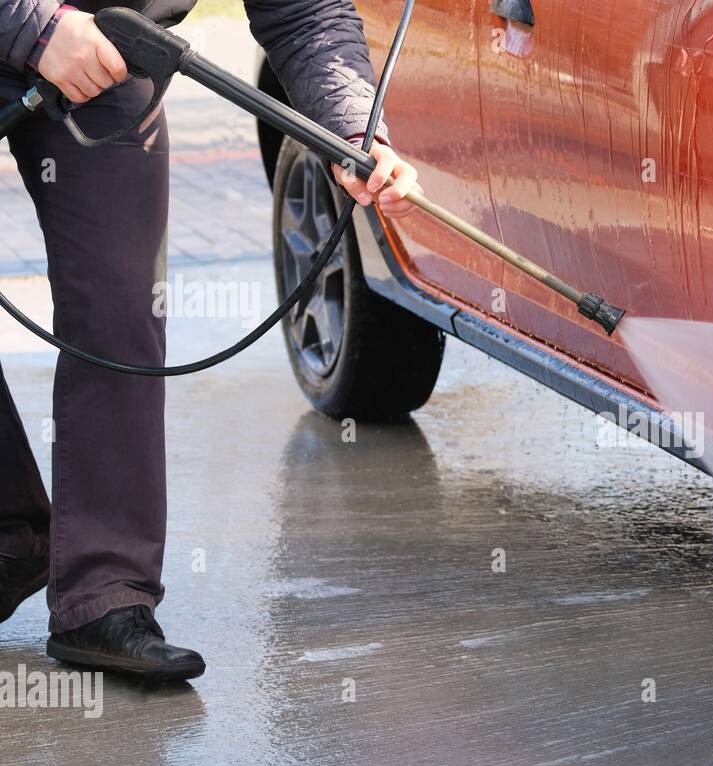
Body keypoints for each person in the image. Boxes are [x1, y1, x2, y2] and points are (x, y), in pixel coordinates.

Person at [0, 0, 418, 681]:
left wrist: (354, 131)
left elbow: (306, 12)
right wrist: (32, 26)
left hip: (109, 52)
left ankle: (106, 598)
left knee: (122, 307)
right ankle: (11, 536)